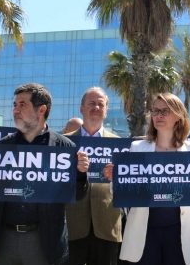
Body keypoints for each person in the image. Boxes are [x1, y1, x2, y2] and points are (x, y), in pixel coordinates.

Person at [0, 83, 90, 265]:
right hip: (5, 240)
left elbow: (77, 195)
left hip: (44, 241)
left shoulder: (65, 148)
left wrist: (80, 173)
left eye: (22, 104)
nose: (16, 110)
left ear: (41, 110)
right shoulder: (2, 148)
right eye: (15, 105)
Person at [103, 93, 190, 265]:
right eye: (155, 111)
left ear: (178, 116)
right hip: (145, 230)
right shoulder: (137, 147)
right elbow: (123, 190)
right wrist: (115, 179)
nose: (158, 115)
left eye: (165, 111)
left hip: (181, 230)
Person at [64, 87, 122, 265]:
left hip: (107, 226)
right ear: (81, 109)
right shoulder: (64, 143)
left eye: (100, 104)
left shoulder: (120, 144)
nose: (96, 107)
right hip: (73, 227)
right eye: (91, 103)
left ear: (105, 111)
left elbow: (131, 187)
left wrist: (117, 180)